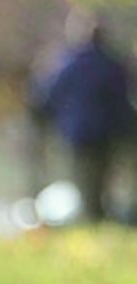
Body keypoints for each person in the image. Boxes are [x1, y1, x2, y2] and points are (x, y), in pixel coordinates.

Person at [30, 11, 136, 221]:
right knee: (104, 178)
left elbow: (48, 96)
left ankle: (93, 218)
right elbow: (124, 100)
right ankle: (102, 217)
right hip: (109, 132)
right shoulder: (114, 65)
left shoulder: (67, 64)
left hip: (79, 133)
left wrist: (42, 119)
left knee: (86, 181)